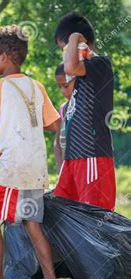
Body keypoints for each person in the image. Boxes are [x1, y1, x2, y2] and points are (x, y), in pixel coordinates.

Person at [0, 25, 64, 279]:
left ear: (5, 56)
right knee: (32, 225)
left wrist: (6, 165)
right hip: (36, 169)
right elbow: (55, 125)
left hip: (13, 170)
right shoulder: (37, 86)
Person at [53, 11, 116, 211]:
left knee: (93, 220)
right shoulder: (81, 76)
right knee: (66, 215)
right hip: (73, 160)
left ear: (81, 42)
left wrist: (74, 37)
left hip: (92, 157)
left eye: (66, 49)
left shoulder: (100, 64)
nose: (65, 55)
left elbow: (70, 67)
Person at [53, 63, 75, 172]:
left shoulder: (86, 106)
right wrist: (60, 164)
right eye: (59, 86)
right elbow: (57, 142)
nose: (63, 91)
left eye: (66, 86)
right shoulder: (63, 108)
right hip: (67, 167)